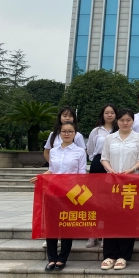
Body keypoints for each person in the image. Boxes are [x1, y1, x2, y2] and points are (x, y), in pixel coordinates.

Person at [30, 121, 86, 271]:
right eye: (64, 131)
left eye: (70, 131)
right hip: (53, 192)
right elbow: (52, 171)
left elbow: (81, 174)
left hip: (70, 193)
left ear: (75, 134)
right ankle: (52, 258)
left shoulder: (80, 152)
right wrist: (41, 177)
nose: (67, 134)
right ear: (59, 134)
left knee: (67, 225)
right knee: (52, 225)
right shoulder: (54, 151)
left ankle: (62, 258)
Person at [100, 108, 139, 271]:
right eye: (122, 120)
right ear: (117, 121)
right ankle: (110, 255)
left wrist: (132, 169)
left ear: (133, 121)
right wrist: (110, 170)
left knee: (128, 218)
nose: (125, 123)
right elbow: (104, 158)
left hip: (131, 183)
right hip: (112, 183)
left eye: (128, 120)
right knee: (110, 218)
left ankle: (123, 256)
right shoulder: (110, 138)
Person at [42, 106, 86, 250]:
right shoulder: (53, 139)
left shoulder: (78, 141)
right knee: (53, 215)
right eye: (64, 115)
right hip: (55, 185)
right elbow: (50, 160)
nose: (67, 118)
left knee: (67, 215)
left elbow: (81, 167)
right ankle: (54, 238)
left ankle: (64, 242)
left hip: (71, 186)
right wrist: (43, 176)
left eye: (70, 116)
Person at [85, 104, 118, 249]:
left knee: (110, 201)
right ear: (102, 114)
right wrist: (96, 160)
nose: (109, 115)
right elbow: (90, 149)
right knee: (95, 201)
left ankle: (106, 235)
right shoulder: (96, 130)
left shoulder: (119, 130)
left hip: (114, 164)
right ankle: (92, 235)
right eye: (107, 112)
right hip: (98, 164)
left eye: (112, 112)